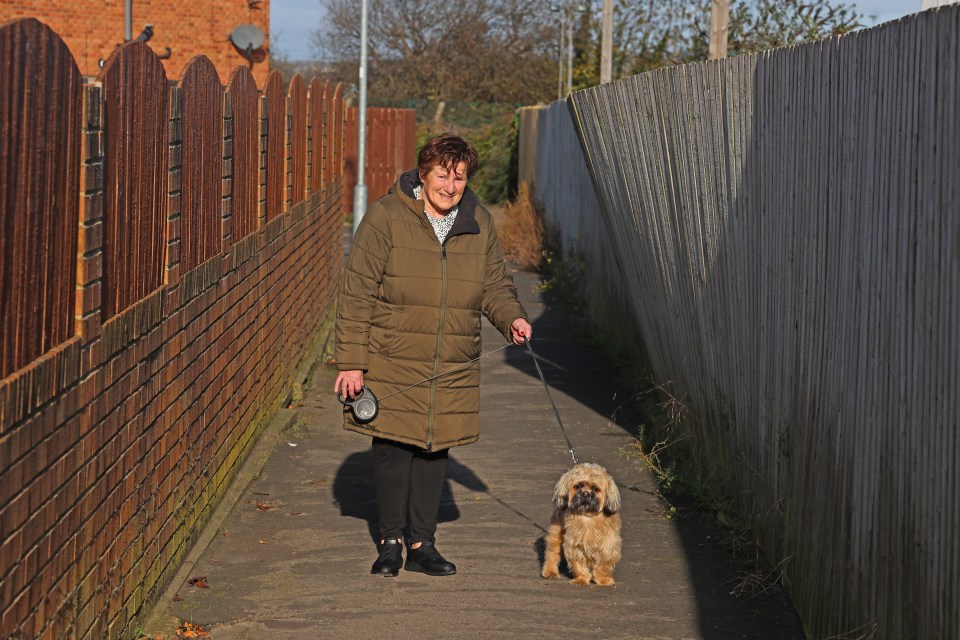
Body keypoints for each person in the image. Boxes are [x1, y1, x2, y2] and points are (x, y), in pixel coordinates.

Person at [333, 133, 533, 577]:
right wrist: (351, 361)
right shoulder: (385, 217)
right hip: (392, 357)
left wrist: (512, 319)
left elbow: (495, 287)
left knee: (434, 449)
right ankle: (389, 542)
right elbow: (357, 293)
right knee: (392, 449)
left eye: (459, 177)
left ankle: (423, 542)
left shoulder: (478, 221)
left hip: (453, 359)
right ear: (423, 175)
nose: (450, 185)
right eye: (442, 175)